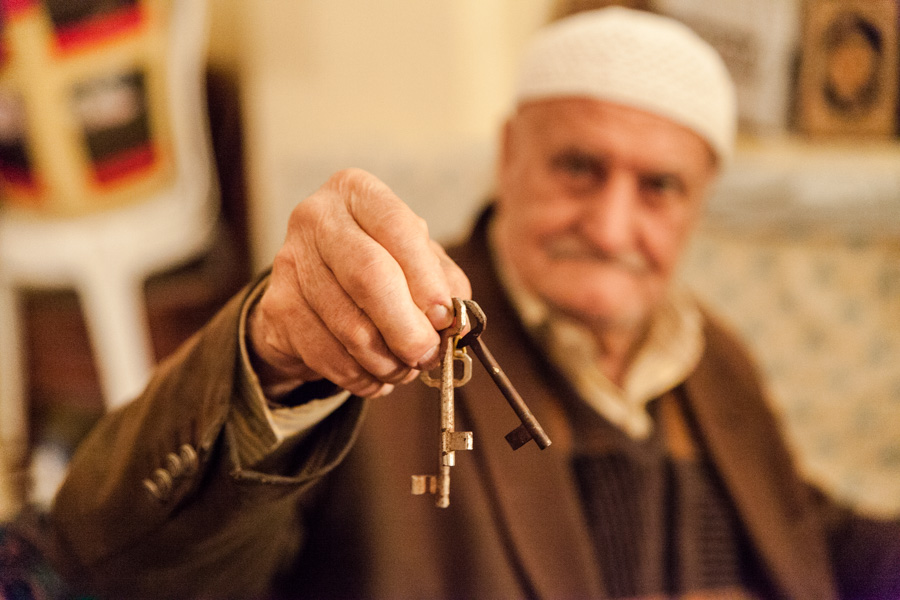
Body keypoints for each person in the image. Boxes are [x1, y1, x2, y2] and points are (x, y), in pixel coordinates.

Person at [47, 7, 899, 600]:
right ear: (509, 155)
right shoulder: (382, 332)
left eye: (659, 187)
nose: (610, 225)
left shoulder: (714, 355)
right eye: (578, 167)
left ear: (699, 205)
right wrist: (267, 361)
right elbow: (116, 561)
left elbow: (805, 531)